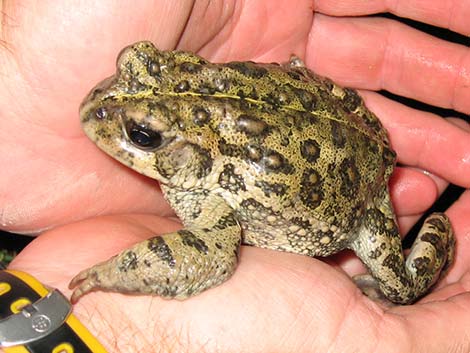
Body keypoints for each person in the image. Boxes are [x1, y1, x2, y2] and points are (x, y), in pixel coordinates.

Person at [1, 1, 469, 352]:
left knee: (399, 288)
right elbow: (210, 252)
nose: (100, 105)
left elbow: (212, 248)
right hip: (322, 118)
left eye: (142, 134)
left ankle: (438, 232)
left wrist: (111, 279)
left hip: (360, 195)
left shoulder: (212, 194)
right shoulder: (201, 149)